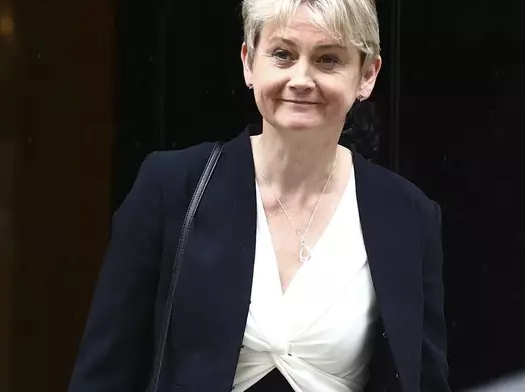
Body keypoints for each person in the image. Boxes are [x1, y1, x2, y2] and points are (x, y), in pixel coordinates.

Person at [67, 0, 450, 391]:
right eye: (282, 54)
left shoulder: (408, 216)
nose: (302, 78)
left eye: (328, 60)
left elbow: (427, 381)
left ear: (367, 75)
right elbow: (104, 375)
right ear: (249, 62)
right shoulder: (171, 187)